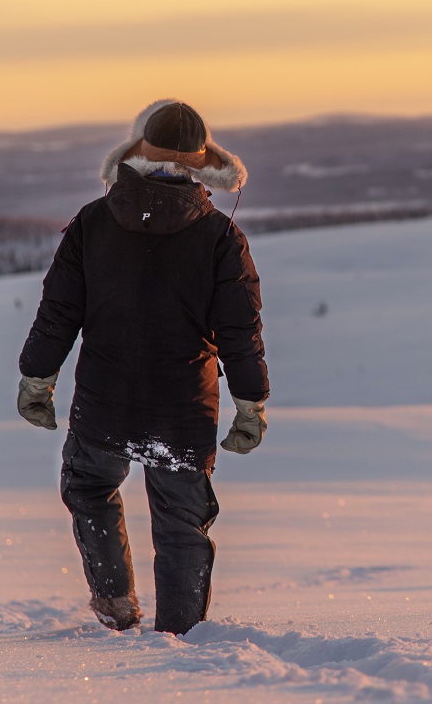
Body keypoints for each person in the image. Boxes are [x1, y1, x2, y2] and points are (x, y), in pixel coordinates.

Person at [14, 99, 269, 634]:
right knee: (181, 523)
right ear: (203, 166)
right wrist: (250, 405)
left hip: (104, 404)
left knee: (88, 488)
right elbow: (240, 334)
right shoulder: (221, 237)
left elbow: (59, 311)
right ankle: (181, 634)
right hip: (183, 413)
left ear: (136, 154)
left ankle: (114, 603)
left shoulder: (92, 222)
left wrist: (38, 379)